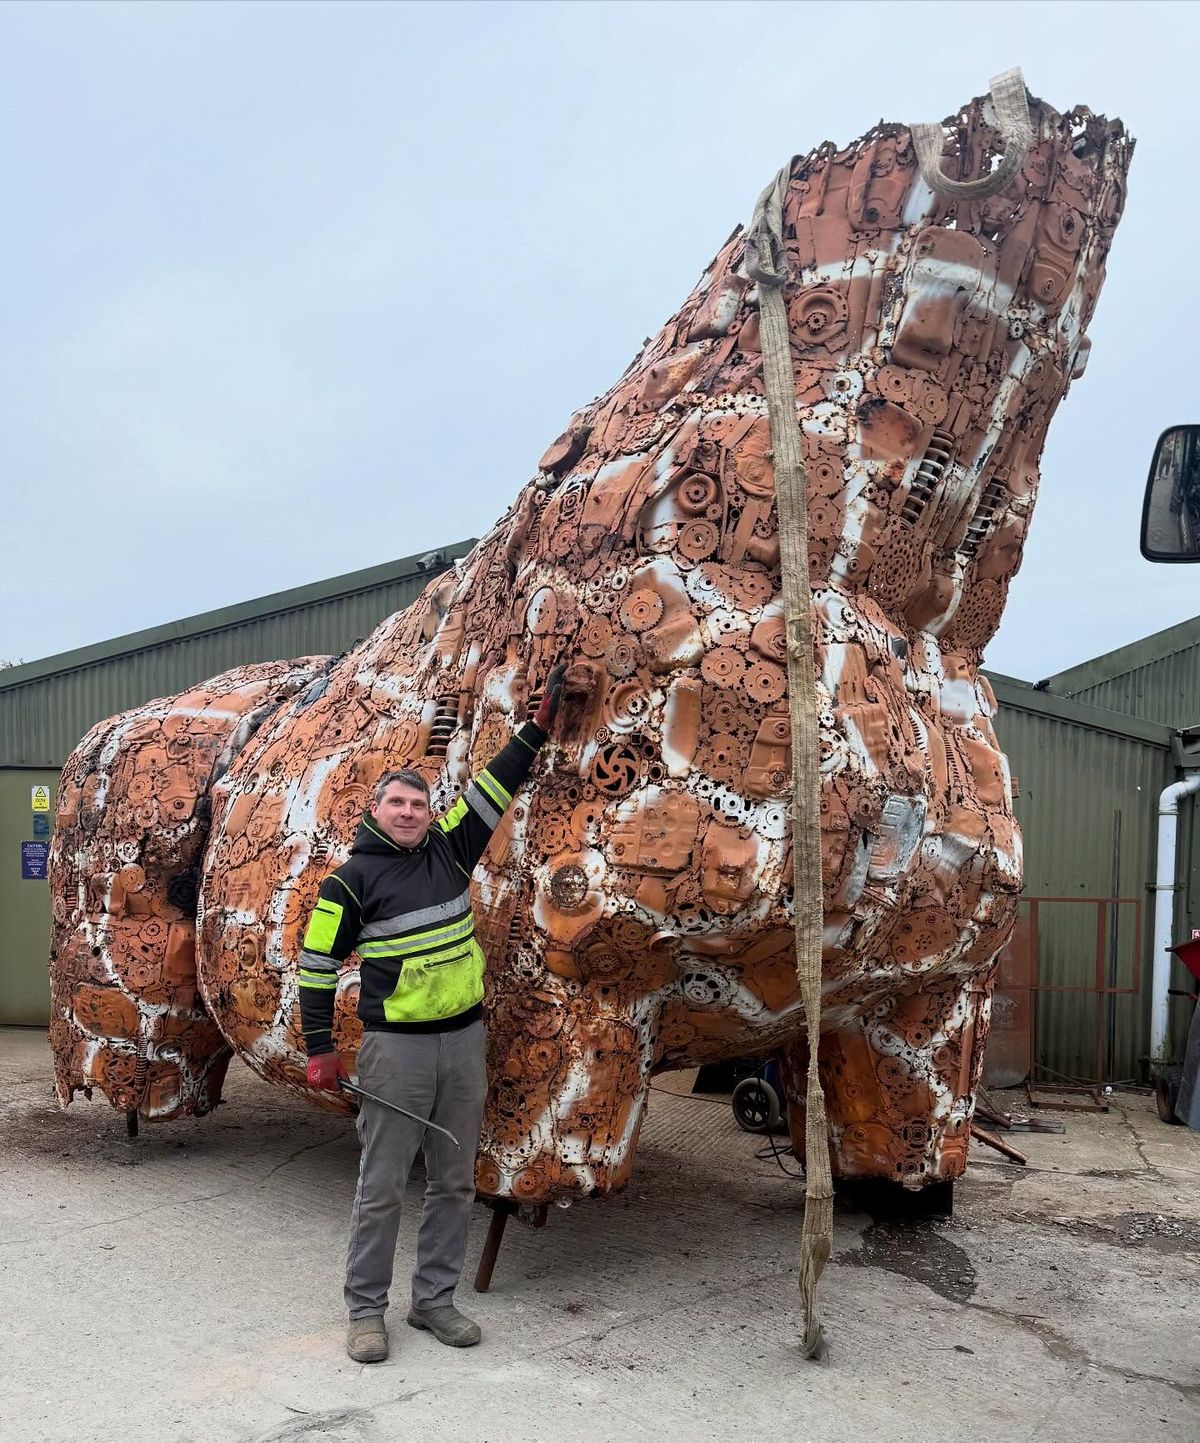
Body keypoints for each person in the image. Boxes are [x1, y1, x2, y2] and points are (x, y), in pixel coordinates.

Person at [298, 664, 567, 1363]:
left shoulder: (451, 849)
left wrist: (535, 729)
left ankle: (434, 1301)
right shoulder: (349, 882)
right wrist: (320, 1047)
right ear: (376, 811)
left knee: (452, 1180)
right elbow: (316, 965)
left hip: (463, 1043)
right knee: (382, 1184)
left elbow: (496, 785)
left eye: (418, 803)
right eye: (397, 804)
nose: (410, 812)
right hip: (398, 1051)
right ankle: (365, 1311)